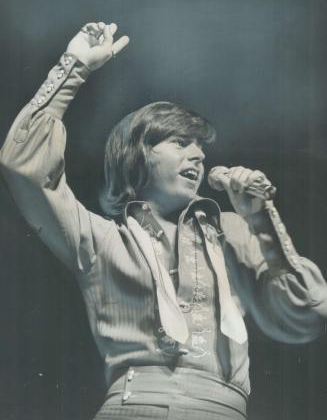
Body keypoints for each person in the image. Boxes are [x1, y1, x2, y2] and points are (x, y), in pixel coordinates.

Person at [1, 21, 327, 420]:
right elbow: (24, 167)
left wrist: (261, 221)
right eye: (180, 142)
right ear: (139, 155)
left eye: (200, 148)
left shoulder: (232, 231)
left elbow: (306, 313)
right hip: (134, 407)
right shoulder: (101, 240)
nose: (198, 156)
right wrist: (74, 69)